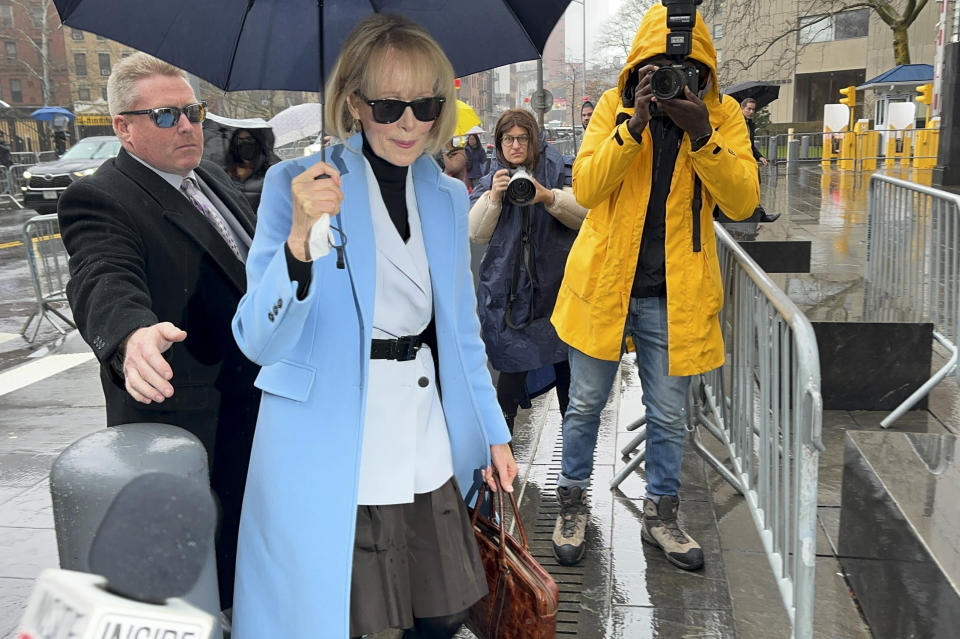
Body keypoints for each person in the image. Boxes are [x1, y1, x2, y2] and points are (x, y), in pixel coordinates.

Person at [230, 14, 517, 639]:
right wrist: (301, 239)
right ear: (355, 103)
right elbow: (256, 338)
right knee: (356, 621)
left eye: (426, 104)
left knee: (441, 613)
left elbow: (463, 334)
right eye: (389, 105)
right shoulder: (296, 185)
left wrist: (495, 434)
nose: (409, 123)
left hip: (422, 436)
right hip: (333, 438)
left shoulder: (443, 195)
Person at [549, 3, 759, 571]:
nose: (672, 77)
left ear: (705, 71)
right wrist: (633, 127)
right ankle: (571, 506)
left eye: (684, 68)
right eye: (660, 66)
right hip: (605, 287)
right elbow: (588, 189)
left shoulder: (725, 118)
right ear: (639, 66)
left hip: (675, 295)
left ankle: (661, 517)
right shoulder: (615, 113)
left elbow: (742, 203)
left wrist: (703, 135)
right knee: (585, 405)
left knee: (668, 415)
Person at [57, 53, 261, 615]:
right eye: (167, 116)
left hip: (254, 415)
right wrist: (130, 336)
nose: (189, 126)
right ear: (123, 126)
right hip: (190, 431)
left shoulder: (210, 177)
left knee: (250, 573)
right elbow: (103, 276)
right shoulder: (100, 197)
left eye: (193, 111)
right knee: (194, 592)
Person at [469, 108, 586, 434]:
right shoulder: (493, 178)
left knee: (568, 374)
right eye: (509, 139)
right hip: (510, 296)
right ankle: (500, 453)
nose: (516, 146)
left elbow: (588, 215)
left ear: (535, 140)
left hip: (558, 290)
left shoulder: (561, 169)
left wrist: (548, 196)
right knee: (510, 368)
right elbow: (476, 233)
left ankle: (573, 464)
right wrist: (494, 197)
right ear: (499, 142)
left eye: (522, 138)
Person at [741, 97, 779, 223]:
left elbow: (750, 145)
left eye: (753, 109)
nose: (751, 112)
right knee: (751, 187)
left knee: (755, 186)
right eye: (749, 109)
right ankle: (758, 214)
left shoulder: (750, 125)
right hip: (738, 161)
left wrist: (759, 156)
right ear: (742, 108)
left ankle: (759, 214)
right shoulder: (735, 123)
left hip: (747, 161)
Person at [223, 127, 279, 211]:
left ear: (259, 142)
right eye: (240, 140)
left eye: (249, 139)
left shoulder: (271, 173)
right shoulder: (225, 174)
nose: (244, 143)